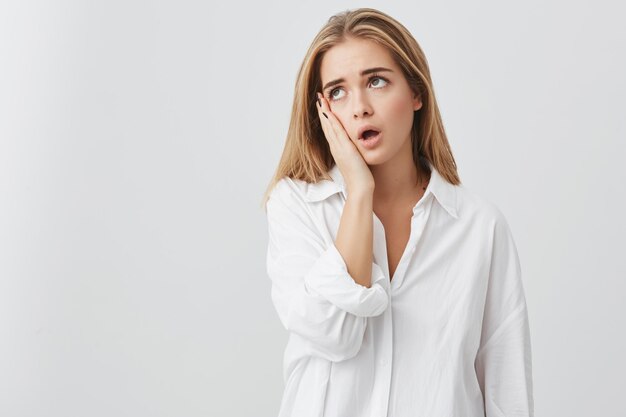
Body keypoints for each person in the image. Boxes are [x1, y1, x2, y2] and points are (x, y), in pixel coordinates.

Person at [261, 7, 534, 417]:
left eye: (376, 81)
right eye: (337, 91)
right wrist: (359, 193)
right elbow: (334, 335)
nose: (359, 108)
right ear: (321, 111)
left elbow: (506, 389)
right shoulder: (296, 206)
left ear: (416, 92)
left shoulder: (479, 227)